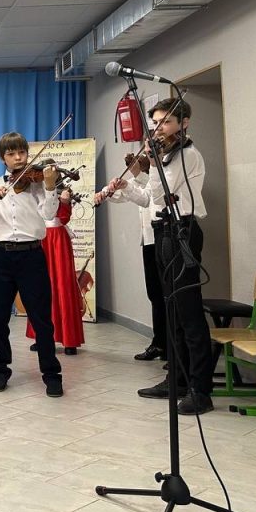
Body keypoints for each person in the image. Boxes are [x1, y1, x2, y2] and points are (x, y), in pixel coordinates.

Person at [101, 98, 211, 414]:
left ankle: (201, 390)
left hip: (182, 232)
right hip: (163, 232)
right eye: (155, 123)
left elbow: (164, 193)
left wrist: (151, 162)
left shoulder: (187, 155)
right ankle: (177, 379)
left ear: (184, 123)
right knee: (171, 310)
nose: (158, 129)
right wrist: (126, 185)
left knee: (189, 313)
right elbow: (149, 199)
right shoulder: (165, 156)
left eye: (165, 122)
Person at [0, 133, 63, 398]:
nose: (19, 158)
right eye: (11, 154)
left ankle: (51, 374)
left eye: (22, 152)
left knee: (41, 319)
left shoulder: (37, 182)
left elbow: (49, 214)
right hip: (2, 256)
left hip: (32, 255)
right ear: (3, 158)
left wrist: (50, 186)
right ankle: (0, 369)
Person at [95, 153, 165, 361]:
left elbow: (148, 195)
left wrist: (135, 176)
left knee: (165, 296)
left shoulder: (160, 175)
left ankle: (171, 347)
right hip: (149, 241)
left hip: (163, 239)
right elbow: (123, 195)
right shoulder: (140, 180)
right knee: (155, 295)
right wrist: (106, 191)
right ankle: (160, 343)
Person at [27, 181, 84, 355]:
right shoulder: (34, 190)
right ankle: (41, 337)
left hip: (58, 239)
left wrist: (65, 202)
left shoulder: (63, 191)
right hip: (40, 238)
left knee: (63, 285)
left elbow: (64, 219)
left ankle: (69, 339)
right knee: (39, 287)